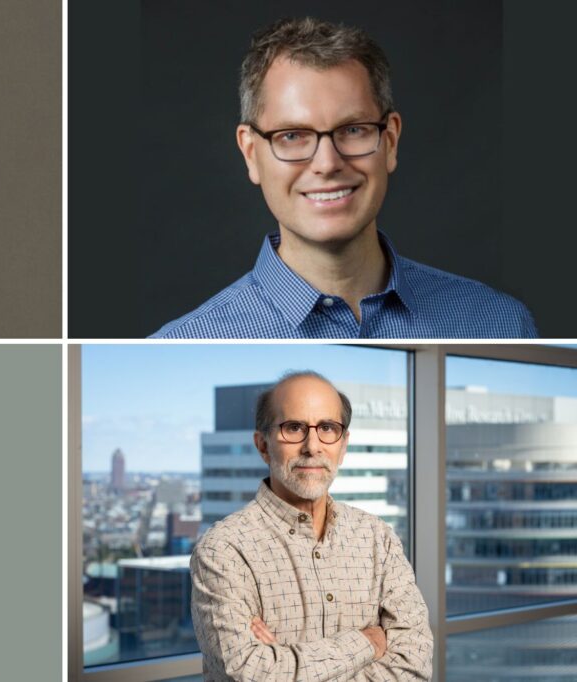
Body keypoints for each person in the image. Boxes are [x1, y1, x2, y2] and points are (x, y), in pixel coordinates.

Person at [152, 17, 536, 339]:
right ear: (251, 152)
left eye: (353, 130)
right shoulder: (181, 343)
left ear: (390, 141)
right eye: (292, 135)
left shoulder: (500, 322)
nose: (327, 163)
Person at [190, 371, 432, 680]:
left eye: (328, 428)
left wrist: (285, 663)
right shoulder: (224, 550)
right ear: (263, 445)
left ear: (342, 446)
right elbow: (249, 673)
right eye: (293, 428)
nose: (312, 446)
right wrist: (367, 642)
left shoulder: (377, 538)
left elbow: (414, 667)